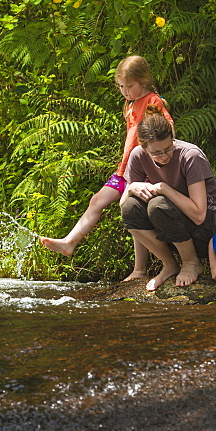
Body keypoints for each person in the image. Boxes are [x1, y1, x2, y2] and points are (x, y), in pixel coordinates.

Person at [40, 56, 174, 280]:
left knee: (131, 211)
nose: (125, 91)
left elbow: (168, 127)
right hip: (125, 170)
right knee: (97, 200)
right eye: (121, 86)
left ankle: (142, 268)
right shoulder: (130, 104)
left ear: (143, 81)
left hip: (145, 170)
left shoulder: (152, 101)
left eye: (129, 86)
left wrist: (159, 159)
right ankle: (69, 243)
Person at [120, 106, 216, 291]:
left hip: (210, 232)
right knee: (130, 207)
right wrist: (131, 188)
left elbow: (199, 214)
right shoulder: (137, 156)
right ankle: (169, 264)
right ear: (144, 148)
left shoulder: (190, 156)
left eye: (168, 148)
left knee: (158, 205)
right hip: (175, 232)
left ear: (173, 138)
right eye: (156, 153)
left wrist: (164, 188)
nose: (164, 156)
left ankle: (191, 263)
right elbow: (123, 207)